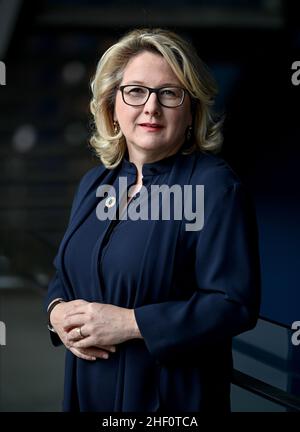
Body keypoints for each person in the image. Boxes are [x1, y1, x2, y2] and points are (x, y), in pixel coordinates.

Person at [45, 28, 261, 412]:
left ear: (191, 108)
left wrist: (130, 323)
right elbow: (66, 272)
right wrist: (57, 311)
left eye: (169, 93)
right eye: (136, 91)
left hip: (168, 400)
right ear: (112, 105)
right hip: (88, 391)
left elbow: (233, 303)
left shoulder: (215, 186)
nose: (151, 107)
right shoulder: (96, 182)